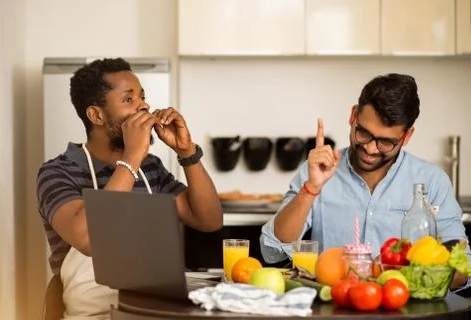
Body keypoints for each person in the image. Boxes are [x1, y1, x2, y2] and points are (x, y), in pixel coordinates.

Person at [37, 58, 223, 319]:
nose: (144, 106)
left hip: (158, 309)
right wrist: (133, 156)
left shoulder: (152, 168)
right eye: (128, 99)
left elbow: (210, 220)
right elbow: (88, 239)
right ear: (96, 115)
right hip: (94, 314)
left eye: (142, 97)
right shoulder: (58, 172)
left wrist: (187, 153)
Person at [260, 73, 471, 291]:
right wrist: (310, 190)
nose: (370, 149)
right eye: (363, 133)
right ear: (353, 116)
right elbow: (272, 249)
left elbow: (462, 268)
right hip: (333, 308)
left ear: (407, 136)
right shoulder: (318, 171)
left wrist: (396, 272)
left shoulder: (432, 181)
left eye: (386, 142)